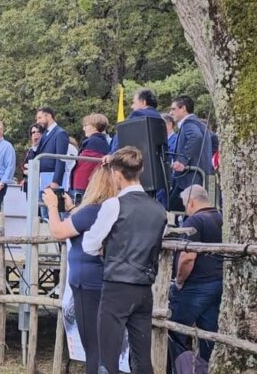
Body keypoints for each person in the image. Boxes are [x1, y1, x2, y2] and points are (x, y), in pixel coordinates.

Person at [82, 146, 167, 374]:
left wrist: (105, 248)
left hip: (116, 286)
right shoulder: (159, 210)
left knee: (107, 358)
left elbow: (89, 245)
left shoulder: (114, 205)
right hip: (144, 287)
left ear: (117, 174)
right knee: (142, 358)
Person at [43, 166, 117, 374]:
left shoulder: (93, 210)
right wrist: (72, 208)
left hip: (88, 284)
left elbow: (58, 231)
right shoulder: (109, 210)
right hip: (104, 280)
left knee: (93, 346)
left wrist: (51, 207)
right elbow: (84, 225)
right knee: (104, 343)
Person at [169, 185, 223, 367]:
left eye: (185, 205)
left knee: (174, 331)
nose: (185, 209)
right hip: (216, 282)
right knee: (210, 334)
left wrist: (179, 280)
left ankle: (178, 368)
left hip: (195, 285)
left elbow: (187, 257)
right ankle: (206, 367)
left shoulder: (194, 221)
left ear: (191, 202)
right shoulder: (220, 217)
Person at [169, 95, 213, 212]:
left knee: (171, 208)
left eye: (173, 109)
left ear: (183, 108)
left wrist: (183, 160)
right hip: (196, 178)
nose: (170, 112)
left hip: (190, 179)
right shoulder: (199, 124)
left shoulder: (189, 124)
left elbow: (195, 137)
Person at [110, 87, 163, 153]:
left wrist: (112, 154)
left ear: (144, 102)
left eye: (134, 102)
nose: (132, 106)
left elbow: (123, 135)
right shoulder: (159, 117)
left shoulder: (138, 114)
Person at [70, 114, 110, 200]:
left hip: (84, 184)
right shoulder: (102, 141)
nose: (83, 129)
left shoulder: (93, 142)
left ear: (95, 126)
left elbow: (85, 166)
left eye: (86, 125)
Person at [34, 107, 70, 191]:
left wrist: (56, 181)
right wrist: (35, 145)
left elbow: (61, 158)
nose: (37, 122)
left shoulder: (60, 133)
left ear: (49, 116)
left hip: (51, 178)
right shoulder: (44, 134)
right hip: (41, 178)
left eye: (40, 118)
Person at [20, 124, 44, 192]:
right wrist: (24, 177)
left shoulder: (45, 150)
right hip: (29, 184)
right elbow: (23, 165)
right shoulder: (29, 151)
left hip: (41, 184)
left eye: (38, 132)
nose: (36, 134)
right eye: (33, 132)